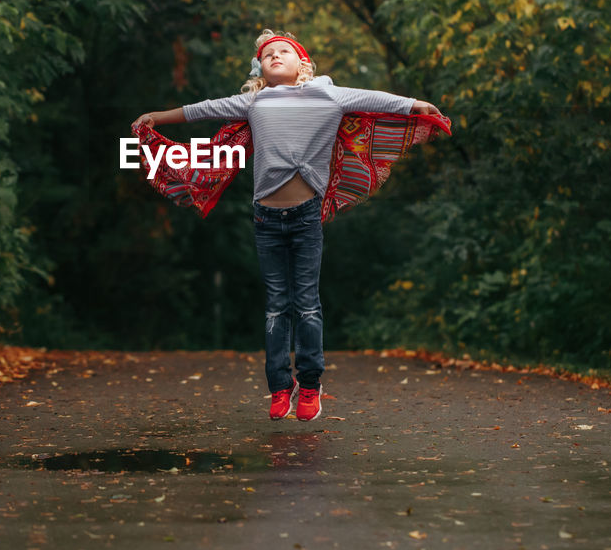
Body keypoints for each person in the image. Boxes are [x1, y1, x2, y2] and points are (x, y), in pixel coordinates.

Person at [134, 30, 443, 422]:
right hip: (265, 218)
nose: (275, 56)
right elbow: (204, 109)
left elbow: (377, 99)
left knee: (307, 305)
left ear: (303, 64)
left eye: (284, 52)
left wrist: (417, 105)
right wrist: (159, 117)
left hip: (305, 216)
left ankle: (310, 385)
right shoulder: (254, 101)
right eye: (267, 55)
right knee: (277, 308)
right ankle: (281, 388)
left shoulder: (329, 94)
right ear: (260, 69)